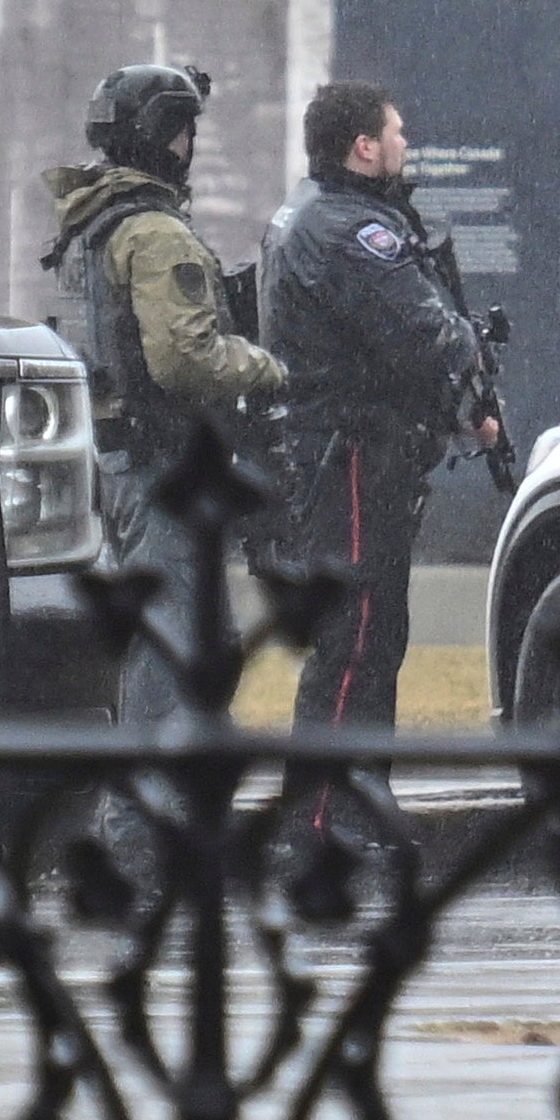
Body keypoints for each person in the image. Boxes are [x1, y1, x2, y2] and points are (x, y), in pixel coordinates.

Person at [41, 63, 285, 722]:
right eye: (183, 130)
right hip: (159, 466)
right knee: (178, 651)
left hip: (116, 461)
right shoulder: (153, 233)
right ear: (161, 137)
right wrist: (270, 368)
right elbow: (184, 360)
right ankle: (144, 814)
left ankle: (159, 802)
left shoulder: (87, 226)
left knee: (200, 643)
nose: (189, 145)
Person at [261, 81, 499, 744]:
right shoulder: (350, 229)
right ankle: (324, 821)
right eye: (396, 133)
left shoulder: (308, 212)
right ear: (365, 147)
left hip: (341, 451)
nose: (405, 143)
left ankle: (353, 811)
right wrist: (470, 351)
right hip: (352, 456)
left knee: (370, 635)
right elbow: (432, 335)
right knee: (356, 638)